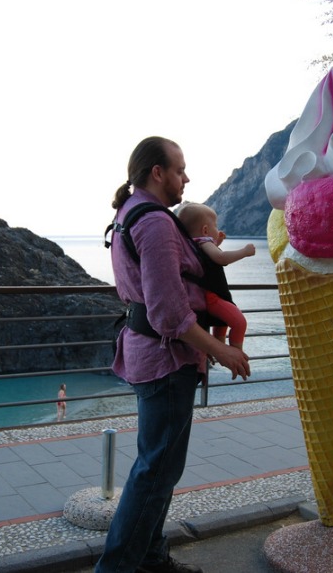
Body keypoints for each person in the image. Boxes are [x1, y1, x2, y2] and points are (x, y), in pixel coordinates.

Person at [96, 137, 251, 573]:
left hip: (151, 355)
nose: (187, 178)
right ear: (157, 172)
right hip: (166, 360)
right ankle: (119, 568)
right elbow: (169, 314)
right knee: (155, 472)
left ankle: (148, 558)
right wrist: (222, 349)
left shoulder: (130, 213)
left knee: (159, 468)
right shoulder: (158, 224)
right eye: (180, 170)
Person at [176, 203, 255, 350]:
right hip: (211, 296)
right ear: (205, 230)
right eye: (215, 226)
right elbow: (221, 258)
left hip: (203, 295)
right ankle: (236, 353)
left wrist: (216, 242)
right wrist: (245, 251)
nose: (217, 229)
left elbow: (207, 258)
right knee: (239, 322)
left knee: (222, 321)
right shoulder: (204, 242)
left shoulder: (190, 244)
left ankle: (217, 349)